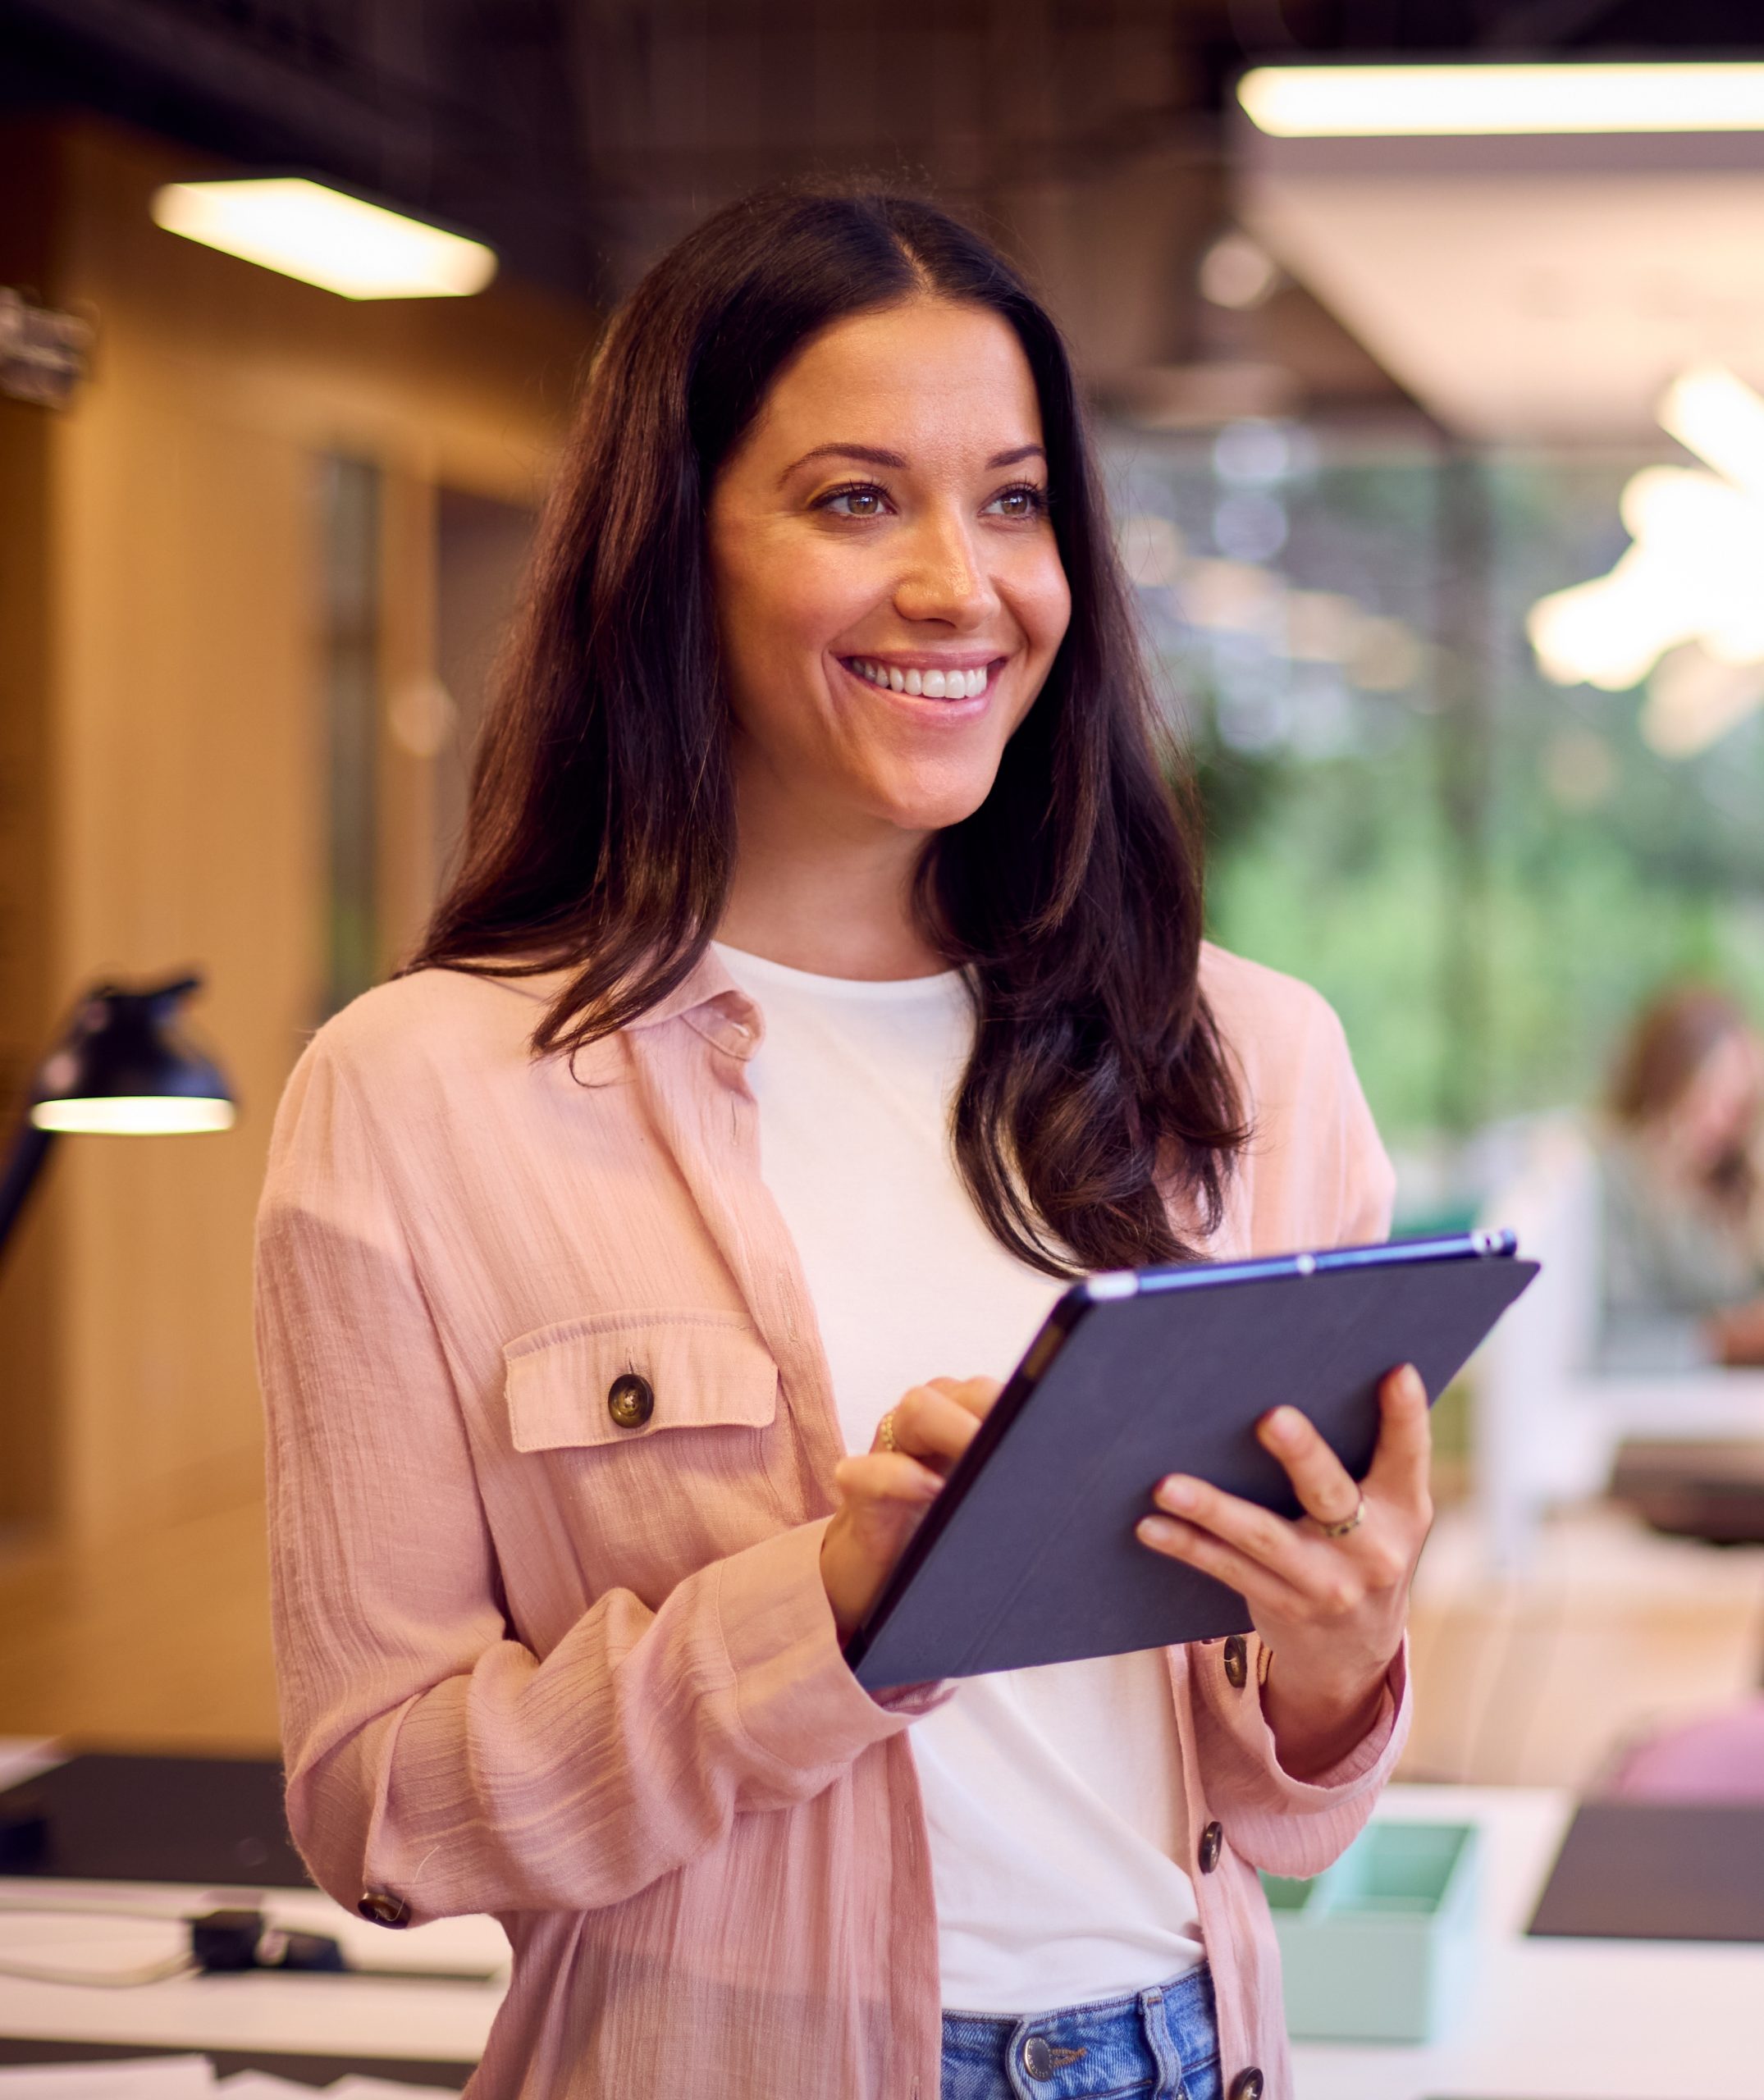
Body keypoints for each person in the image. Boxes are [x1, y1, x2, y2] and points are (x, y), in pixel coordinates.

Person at [255, 189, 1430, 2100]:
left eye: (1016, 498)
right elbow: (377, 1807)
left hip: (1187, 2049)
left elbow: (1289, 1812)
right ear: (671, 550)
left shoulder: (1250, 1062)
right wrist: (826, 1613)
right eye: (856, 498)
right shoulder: (416, 1091)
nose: (962, 584)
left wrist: (1336, 1656)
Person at [1597, 984, 1764, 1372]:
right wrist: (1722, 1341)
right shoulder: (1618, 1181)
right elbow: (1617, 1339)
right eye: (1708, 1098)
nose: (1722, 1122)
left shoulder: (1729, 1180)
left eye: (1735, 1105)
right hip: (1665, 1398)